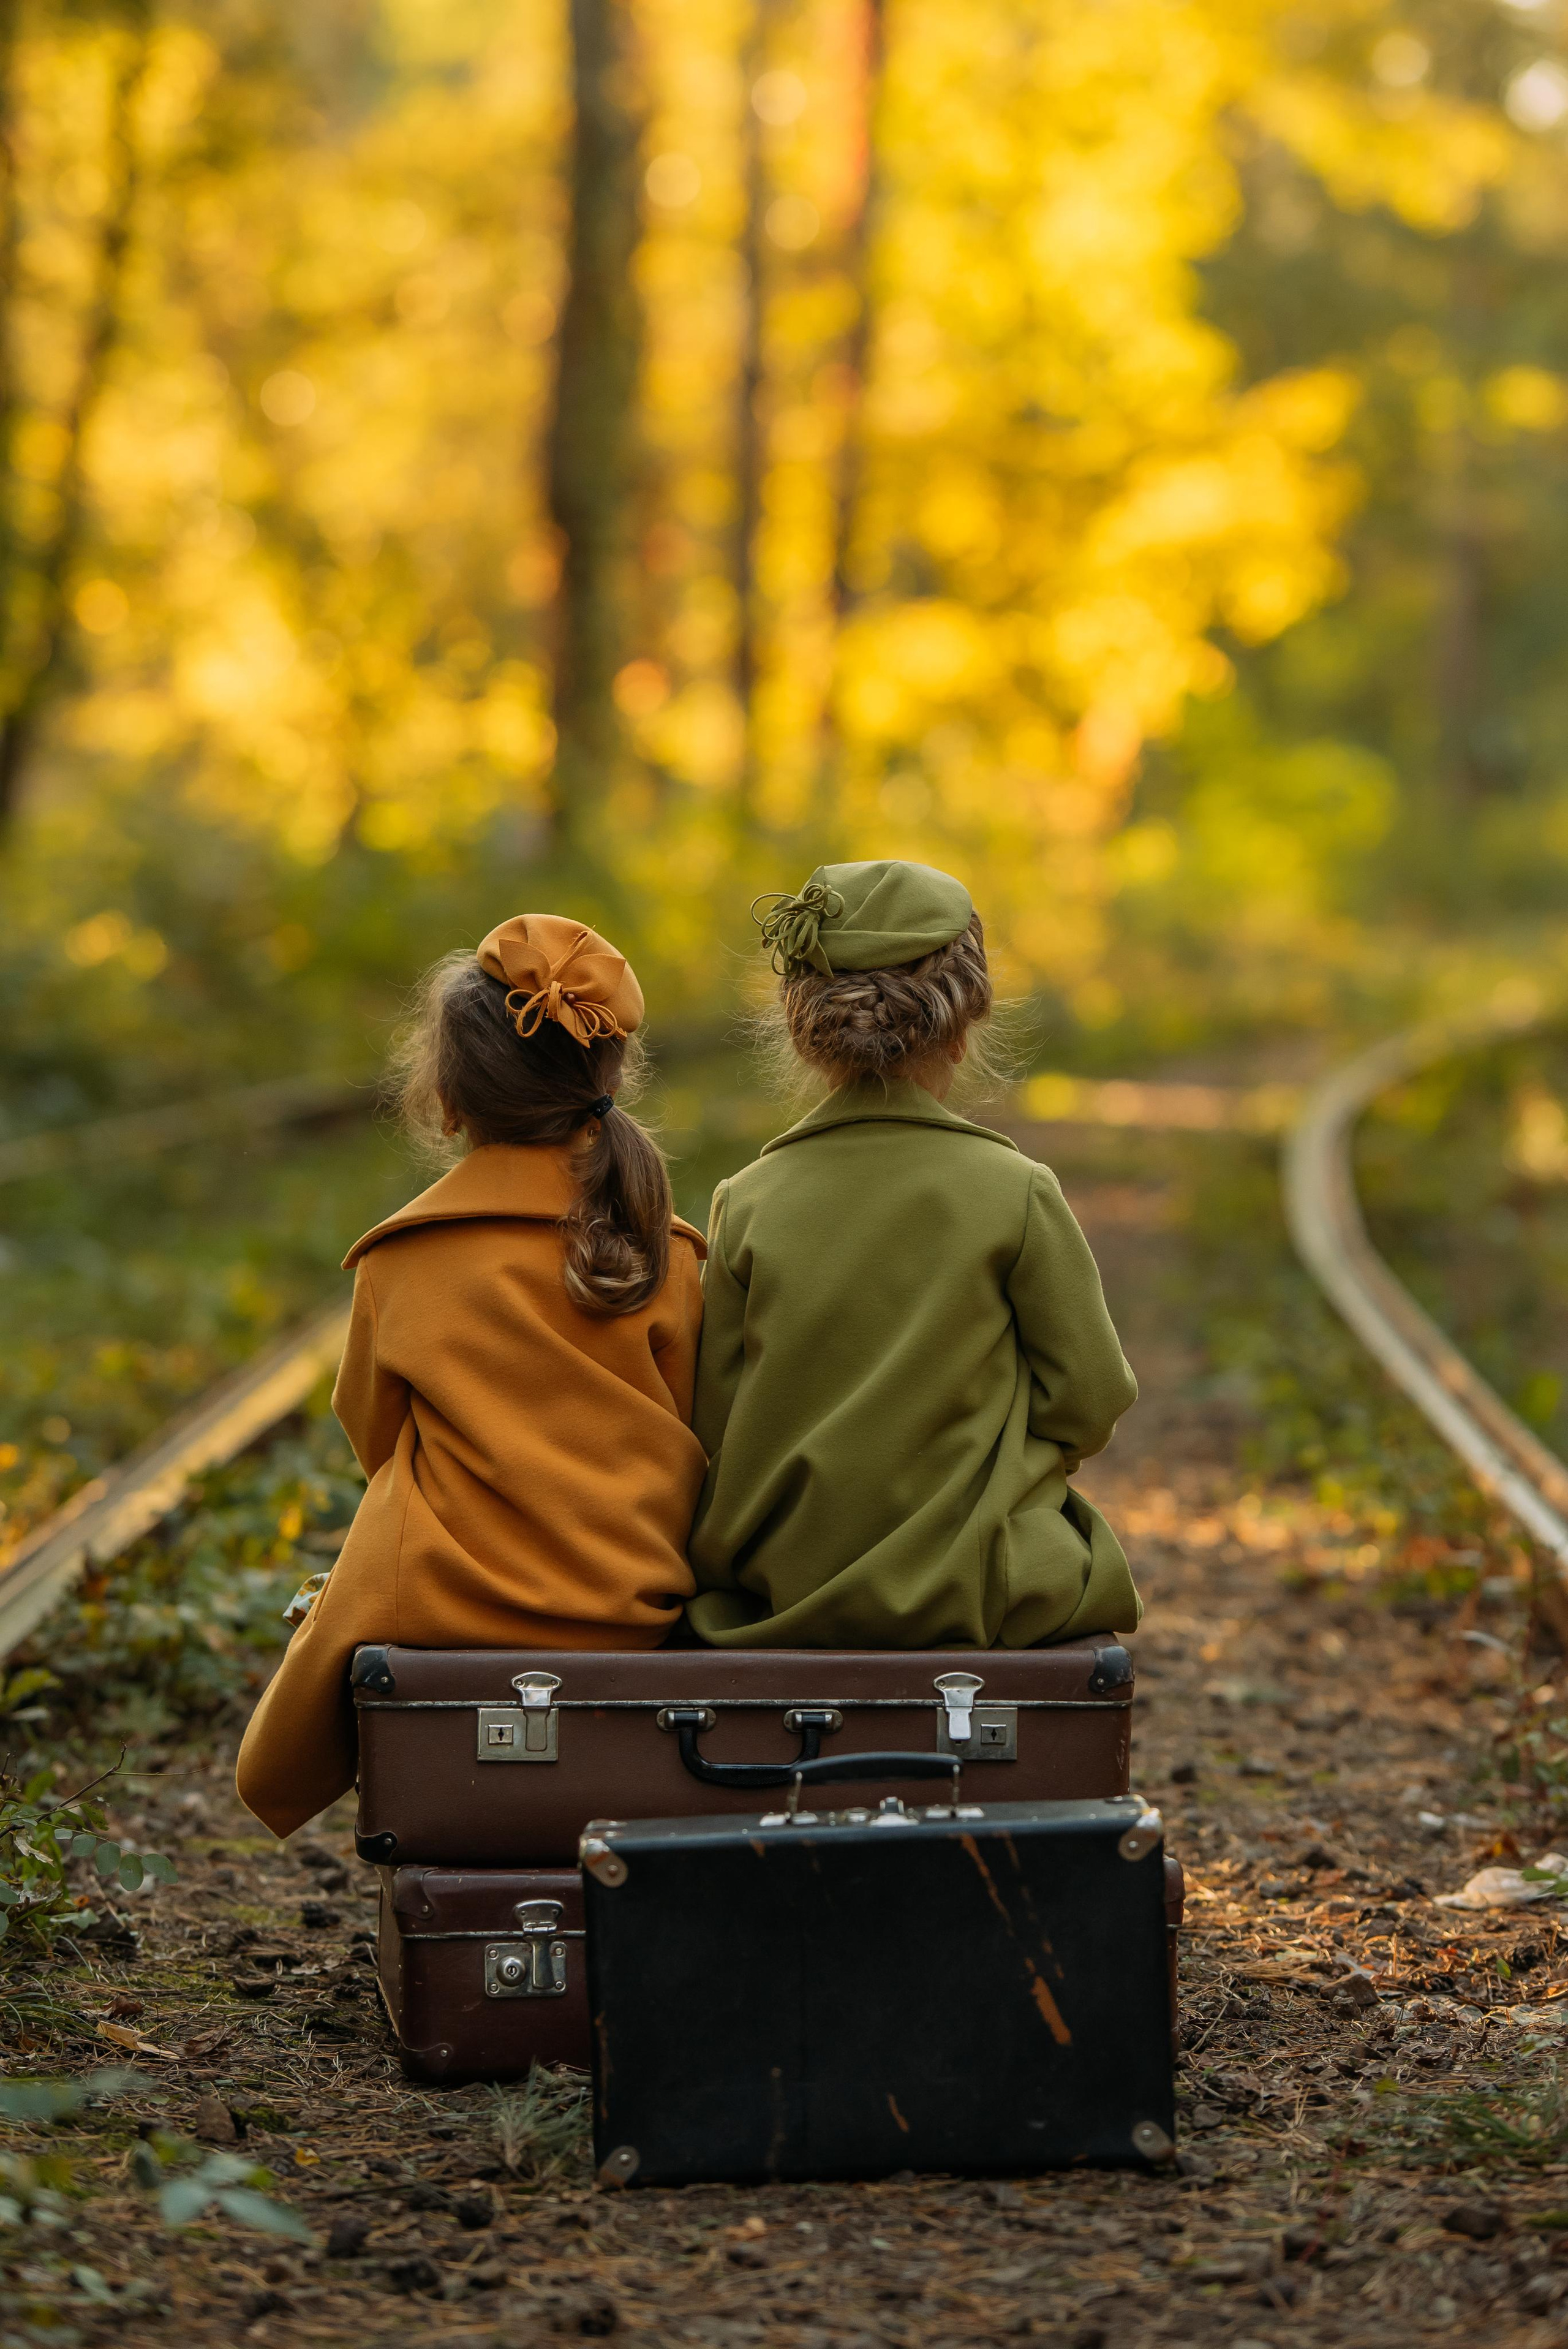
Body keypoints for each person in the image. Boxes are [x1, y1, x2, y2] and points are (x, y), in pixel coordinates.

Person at [236, 915, 706, 1837]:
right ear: (609, 1080)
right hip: (635, 1602)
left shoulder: (403, 1261)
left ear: (447, 1100)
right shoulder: (669, 1257)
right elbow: (702, 1431)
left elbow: (374, 1436)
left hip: (441, 1612)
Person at [687, 858, 1139, 1650]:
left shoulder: (747, 1201)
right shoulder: (1014, 1190)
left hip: (782, 1587)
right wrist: (987, 1463)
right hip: (973, 1581)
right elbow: (1091, 1399)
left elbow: (714, 1417)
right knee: (1065, 1548)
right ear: (968, 1021)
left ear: (801, 1026)